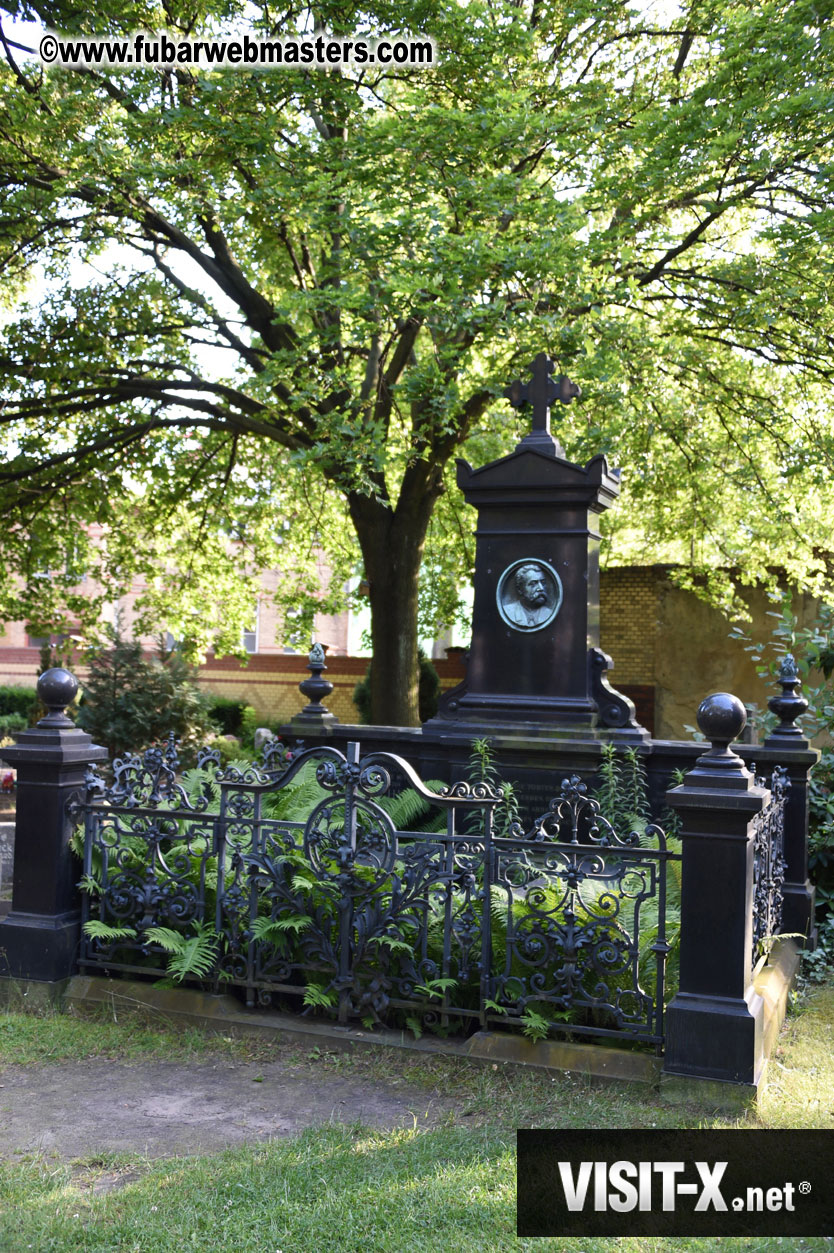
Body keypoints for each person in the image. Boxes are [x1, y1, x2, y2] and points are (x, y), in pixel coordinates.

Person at [503, 562, 554, 628]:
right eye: (533, 584)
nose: (541, 588)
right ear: (519, 589)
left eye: (543, 583)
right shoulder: (508, 612)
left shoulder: (549, 614)